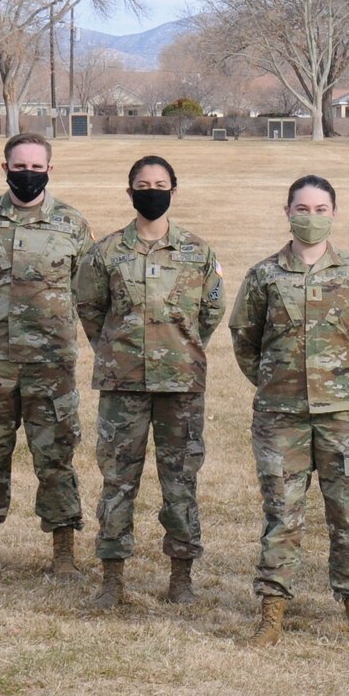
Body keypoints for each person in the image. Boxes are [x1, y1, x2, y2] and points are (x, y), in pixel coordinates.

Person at [228, 175, 349, 646]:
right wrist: (276, 382)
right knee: (282, 514)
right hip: (281, 416)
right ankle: (272, 615)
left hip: (346, 417)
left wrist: (341, 376)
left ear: (333, 214)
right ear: (287, 212)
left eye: (321, 209)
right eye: (302, 208)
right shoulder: (264, 276)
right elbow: (245, 340)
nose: (311, 217)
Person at [74, 155, 225, 609]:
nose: (152, 190)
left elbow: (211, 312)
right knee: (118, 480)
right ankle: (112, 578)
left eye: (160, 184)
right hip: (122, 384)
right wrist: (117, 349)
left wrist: (180, 347)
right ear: (129, 192)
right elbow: (89, 309)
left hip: (180, 385)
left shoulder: (198, 252)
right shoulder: (105, 253)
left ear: (174, 191)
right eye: (143, 184)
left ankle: (181, 577)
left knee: (180, 481)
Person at [0, 133, 93, 580]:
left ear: (49, 169)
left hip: (51, 366)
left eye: (36, 166)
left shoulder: (71, 223)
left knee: (55, 459)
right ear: (5, 167)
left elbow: (86, 289)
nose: (27, 173)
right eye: (19, 165)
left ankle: (64, 552)